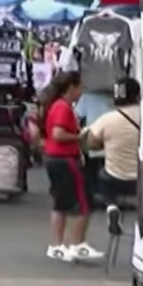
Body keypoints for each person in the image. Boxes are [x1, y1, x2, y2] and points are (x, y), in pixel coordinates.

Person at [39, 70, 103, 262]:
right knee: (81, 203)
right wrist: (79, 137)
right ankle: (77, 244)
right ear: (71, 88)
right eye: (80, 87)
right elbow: (58, 134)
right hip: (64, 158)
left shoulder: (58, 106)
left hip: (55, 157)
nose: (82, 91)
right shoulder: (63, 108)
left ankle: (58, 245)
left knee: (61, 203)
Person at [83, 77, 140, 236]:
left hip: (115, 178)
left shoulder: (107, 119)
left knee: (102, 174)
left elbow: (92, 144)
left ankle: (111, 206)